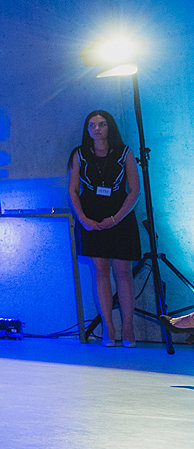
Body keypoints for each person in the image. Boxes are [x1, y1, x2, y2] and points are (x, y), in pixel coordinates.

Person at [67, 109, 142, 347]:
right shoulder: (79, 154)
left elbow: (134, 190)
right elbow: (73, 191)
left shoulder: (124, 152)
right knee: (99, 271)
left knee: (123, 271)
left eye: (101, 124)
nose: (96, 129)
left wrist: (116, 218)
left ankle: (128, 327)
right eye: (92, 125)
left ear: (110, 127)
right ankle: (109, 327)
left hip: (120, 216)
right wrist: (83, 219)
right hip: (91, 217)